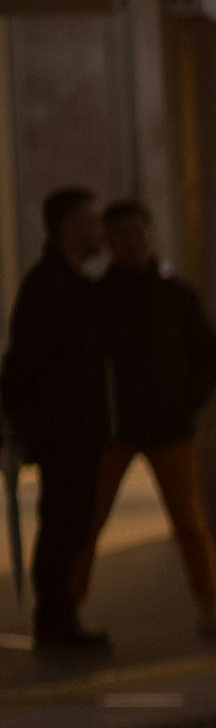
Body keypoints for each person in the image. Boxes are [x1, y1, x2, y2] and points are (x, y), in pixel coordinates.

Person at [82, 199, 216, 639]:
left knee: (189, 522)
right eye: (121, 235)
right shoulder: (102, 300)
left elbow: (209, 353)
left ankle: (210, 603)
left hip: (164, 425)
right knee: (92, 518)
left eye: (137, 232)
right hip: (120, 429)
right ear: (110, 242)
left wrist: (189, 397)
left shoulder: (172, 296)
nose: (132, 243)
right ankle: (70, 606)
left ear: (150, 234)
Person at [3, 188, 118, 657]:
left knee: (71, 521)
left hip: (77, 431)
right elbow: (25, 366)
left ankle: (59, 616)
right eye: (91, 221)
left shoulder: (73, 286)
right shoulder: (50, 288)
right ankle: (54, 620)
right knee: (63, 523)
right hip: (63, 433)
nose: (99, 231)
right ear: (68, 226)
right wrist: (35, 428)